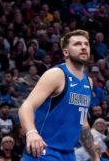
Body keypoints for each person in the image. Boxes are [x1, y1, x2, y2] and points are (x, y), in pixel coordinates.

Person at [19, 30, 99, 160]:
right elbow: (26, 106)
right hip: (44, 151)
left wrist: (94, 156)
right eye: (77, 44)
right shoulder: (57, 74)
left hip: (68, 154)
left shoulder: (88, 82)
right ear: (66, 52)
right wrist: (31, 133)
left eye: (86, 44)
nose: (84, 47)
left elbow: (83, 124)